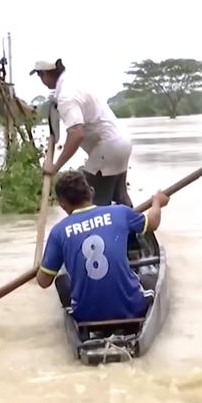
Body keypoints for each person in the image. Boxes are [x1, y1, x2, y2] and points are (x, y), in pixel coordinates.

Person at [35, 171, 169, 323]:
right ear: (91, 192)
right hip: (132, 308)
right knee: (148, 280)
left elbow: (43, 282)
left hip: (85, 315)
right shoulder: (120, 212)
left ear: (62, 204)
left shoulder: (58, 232)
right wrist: (157, 202)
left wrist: (44, 265)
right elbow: (153, 223)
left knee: (63, 281)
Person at [30, 58, 134, 207]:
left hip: (107, 147)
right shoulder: (71, 83)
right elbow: (59, 134)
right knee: (121, 195)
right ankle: (137, 222)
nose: (41, 81)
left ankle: (108, 221)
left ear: (45, 74)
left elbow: (76, 134)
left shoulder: (66, 96)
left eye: (40, 75)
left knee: (89, 202)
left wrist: (55, 167)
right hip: (122, 143)